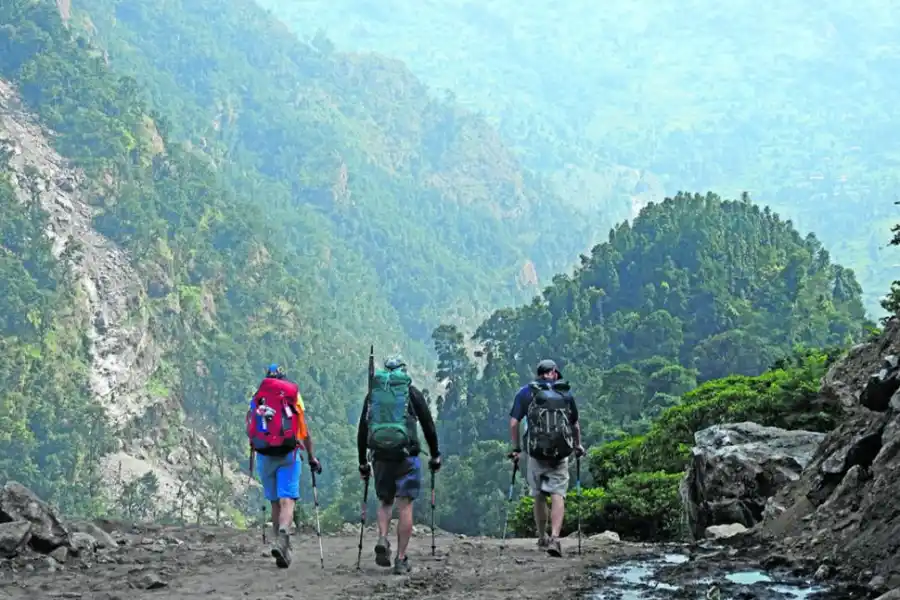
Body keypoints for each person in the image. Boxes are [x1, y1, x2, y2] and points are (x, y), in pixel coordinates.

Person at [357, 356, 441, 574]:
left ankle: (382, 538)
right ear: (403, 372)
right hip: (407, 456)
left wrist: (362, 462)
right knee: (405, 504)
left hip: (380, 456)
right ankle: (401, 558)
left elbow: (362, 430)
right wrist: (435, 455)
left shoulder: (373, 395)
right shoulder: (411, 393)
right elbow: (428, 426)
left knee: (385, 501)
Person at [247, 363, 321, 569]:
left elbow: (251, 428)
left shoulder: (258, 397)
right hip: (289, 453)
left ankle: (281, 545)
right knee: (287, 499)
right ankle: (283, 534)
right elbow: (304, 431)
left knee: (274, 503)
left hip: (264, 455)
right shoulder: (292, 397)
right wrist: (312, 457)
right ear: (283, 378)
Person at [508, 359, 584, 557]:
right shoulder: (565, 392)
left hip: (536, 453)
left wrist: (516, 448)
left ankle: (542, 537)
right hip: (561, 453)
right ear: (553, 373)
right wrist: (578, 445)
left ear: (538, 374)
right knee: (558, 493)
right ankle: (555, 538)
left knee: (539, 494)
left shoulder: (527, 392)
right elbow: (575, 425)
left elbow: (514, 423)